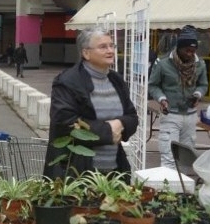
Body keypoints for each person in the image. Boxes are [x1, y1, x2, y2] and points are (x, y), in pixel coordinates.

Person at [43, 27, 139, 180]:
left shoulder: (116, 80)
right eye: (103, 47)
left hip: (114, 171)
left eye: (112, 45)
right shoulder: (67, 82)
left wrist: (121, 123)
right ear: (85, 53)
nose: (110, 51)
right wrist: (108, 131)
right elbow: (64, 122)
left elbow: (132, 117)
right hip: (76, 173)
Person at [148, 25, 209, 171]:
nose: (190, 53)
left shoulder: (200, 64)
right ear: (178, 48)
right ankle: (167, 190)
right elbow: (153, 85)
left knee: (187, 157)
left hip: (190, 116)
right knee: (169, 156)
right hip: (171, 115)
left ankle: (184, 190)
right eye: (187, 50)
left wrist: (198, 94)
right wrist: (162, 98)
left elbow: (203, 84)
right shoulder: (162, 63)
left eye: (193, 51)